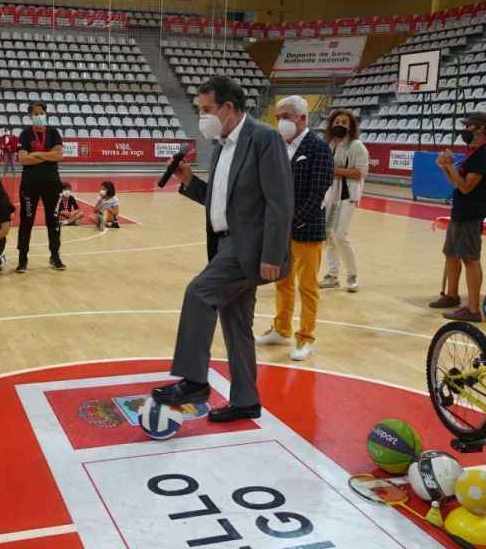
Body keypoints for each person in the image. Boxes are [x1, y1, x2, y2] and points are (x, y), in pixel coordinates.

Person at [151, 75, 293, 423]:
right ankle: (246, 401)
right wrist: (189, 183)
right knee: (236, 324)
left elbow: (279, 201)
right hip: (226, 245)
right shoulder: (221, 146)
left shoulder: (264, 138)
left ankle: (196, 381)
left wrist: (273, 254)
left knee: (198, 293)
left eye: (207, 109)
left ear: (229, 108)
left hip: (251, 248)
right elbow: (221, 203)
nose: (203, 117)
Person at [256, 96, 334, 362]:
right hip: (280, 231)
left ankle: (306, 337)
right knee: (282, 282)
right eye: (278, 117)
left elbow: (318, 193)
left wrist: (292, 220)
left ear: (302, 118)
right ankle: (281, 328)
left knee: (308, 287)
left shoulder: (319, 148)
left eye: (286, 116)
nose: (281, 122)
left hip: (307, 228)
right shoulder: (278, 146)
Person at [430, 112, 486, 322]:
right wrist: (445, 166)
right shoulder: (475, 151)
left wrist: (450, 165)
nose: (465, 130)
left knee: (470, 259)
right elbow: (457, 182)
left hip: (471, 212)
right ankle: (452, 296)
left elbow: (467, 187)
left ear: (480, 128)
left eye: (469, 126)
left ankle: (472, 309)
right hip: (460, 210)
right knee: (451, 254)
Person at [319, 108, 369, 293]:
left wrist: (334, 170)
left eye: (344, 122)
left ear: (351, 127)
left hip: (348, 196)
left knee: (340, 234)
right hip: (330, 196)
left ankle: (352, 275)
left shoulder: (356, 146)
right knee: (328, 235)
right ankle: (332, 275)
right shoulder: (329, 144)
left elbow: (360, 173)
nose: (340, 125)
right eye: (337, 122)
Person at [16, 101, 65, 272]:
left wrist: (36, 154)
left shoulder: (53, 132)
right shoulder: (25, 134)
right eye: (35, 114)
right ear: (30, 117)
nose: (38, 116)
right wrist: (48, 155)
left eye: (40, 113)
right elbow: (23, 159)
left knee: (53, 221)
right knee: (26, 221)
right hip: (30, 184)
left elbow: (59, 156)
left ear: (45, 114)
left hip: (52, 184)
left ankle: (55, 256)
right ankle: (22, 259)